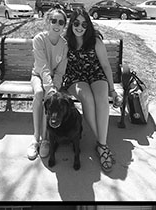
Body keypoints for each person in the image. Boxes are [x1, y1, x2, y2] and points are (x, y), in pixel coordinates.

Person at [62, 9, 121, 172]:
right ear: (71, 24)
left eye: (83, 23)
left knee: (101, 98)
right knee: (87, 98)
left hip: (95, 73)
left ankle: (102, 145)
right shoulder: (66, 41)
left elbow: (105, 66)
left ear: (88, 25)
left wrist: (112, 89)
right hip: (75, 77)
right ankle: (102, 144)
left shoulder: (95, 41)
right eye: (76, 23)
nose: (79, 27)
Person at [28, 6, 68, 161]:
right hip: (38, 76)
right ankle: (35, 138)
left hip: (53, 81)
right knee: (39, 93)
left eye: (61, 22)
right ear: (48, 22)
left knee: (51, 100)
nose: (57, 25)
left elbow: (60, 71)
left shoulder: (64, 45)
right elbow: (43, 67)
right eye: (54, 21)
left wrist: (54, 87)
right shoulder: (39, 39)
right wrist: (49, 88)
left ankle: (46, 139)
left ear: (64, 25)